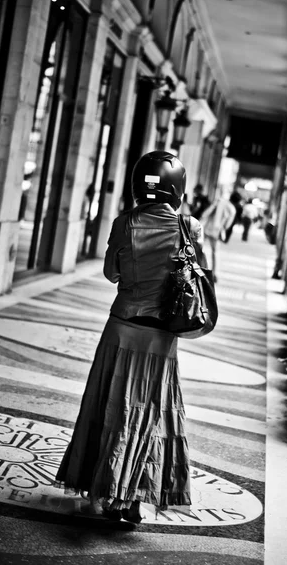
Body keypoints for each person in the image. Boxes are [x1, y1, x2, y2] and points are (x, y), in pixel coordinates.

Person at [55, 151, 206, 524]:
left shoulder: (125, 223)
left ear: (137, 186)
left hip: (121, 329)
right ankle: (133, 495)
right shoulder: (191, 227)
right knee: (150, 414)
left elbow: (111, 273)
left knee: (110, 408)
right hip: (161, 338)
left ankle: (109, 491)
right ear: (178, 189)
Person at [200, 194, 236, 282]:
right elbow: (228, 224)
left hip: (207, 228)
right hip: (217, 232)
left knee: (200, 249)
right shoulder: (232, 209)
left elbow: (206, 214)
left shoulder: (219, 202)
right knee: (215, 253)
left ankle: (200, 269)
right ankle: (214, 274)